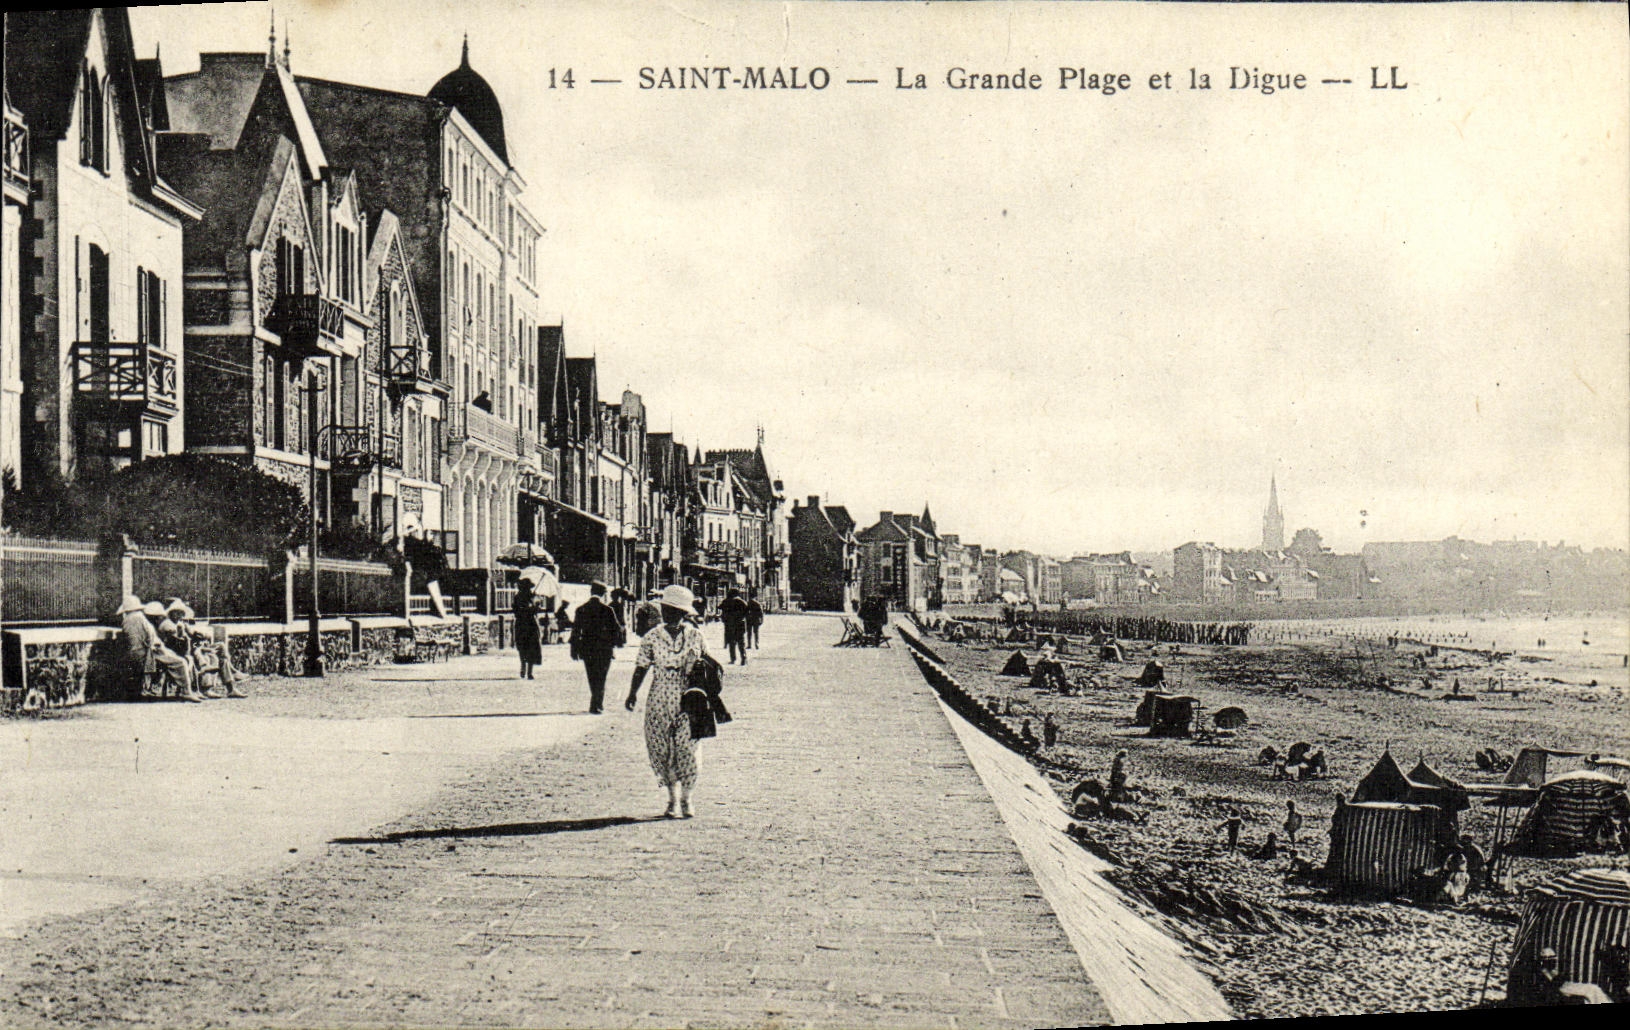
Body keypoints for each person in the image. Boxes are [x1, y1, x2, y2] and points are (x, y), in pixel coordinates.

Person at [625, 584, 711, 819]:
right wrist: (632, 693)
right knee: (661, 747)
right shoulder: (652, 637)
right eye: (665, 608)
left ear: (683, 613)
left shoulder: (696, 635)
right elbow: (641, 666)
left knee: (688, 749)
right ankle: (672, 800)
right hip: (659, 697)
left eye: (673, 610)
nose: (667, 613)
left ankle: (687, 799)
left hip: (689, 698)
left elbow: (709, 667)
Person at [164, 599, 246, 698]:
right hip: (184, 651)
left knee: (220, 646)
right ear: (171, 613)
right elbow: (178, 644)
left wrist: (201, 635)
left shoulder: (183, 624)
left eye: (181, 613)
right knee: (211, 656)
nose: (179, 616)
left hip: (195, 647)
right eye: (176, 613)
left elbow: (194, 634)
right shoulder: (169, 625)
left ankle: (231, 686)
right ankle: (209, 688)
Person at [569, 581, 623, 714]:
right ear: (603, 594)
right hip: (604, 649)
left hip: (587, 649)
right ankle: (597, 704)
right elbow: (616, 629)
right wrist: (615, 644)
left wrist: (574, 649)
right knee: (601, 676)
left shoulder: (581, 609)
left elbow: (575, 631)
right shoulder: (607, 610)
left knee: (592, 676)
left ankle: (596, 703)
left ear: (591, 592)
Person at [138, 600, 202, 702]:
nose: (157, 618)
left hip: (159, 650)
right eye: (154, 616)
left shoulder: (152, 625)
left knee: (186, 659)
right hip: (155, 651)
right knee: (181, 661)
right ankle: (186, 691)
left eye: (158, 616)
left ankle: (191, 690)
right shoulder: (159, 625)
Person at [399, 517, 449, 619]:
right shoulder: (408, 541)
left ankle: (442, 612)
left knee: (434, 582)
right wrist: (416, 528)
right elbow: (402, 535)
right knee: (433, 582)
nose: (416, 532)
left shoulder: (416, 542)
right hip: (421, 573)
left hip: (425, 571)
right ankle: (442, 613)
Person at [513, 578, 542, 680]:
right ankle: (524, 668)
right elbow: (517, 611)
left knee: (531, 648)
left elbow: (536, 611)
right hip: (523, 624)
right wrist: (530, 608)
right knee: (523, 647)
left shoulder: (533, 597)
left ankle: (529, 671)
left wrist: (536, 605)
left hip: (530, 625)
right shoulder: (518, 598)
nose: (528, 590)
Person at [719, 588, 749, 665]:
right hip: (740, 625)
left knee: (732, 643)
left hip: (730, 625)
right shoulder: (742, 602)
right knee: (741, 643)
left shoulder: (726, 601)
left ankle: (733, 659)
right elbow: (747, 612)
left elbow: (720, 608)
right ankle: (743, 658)